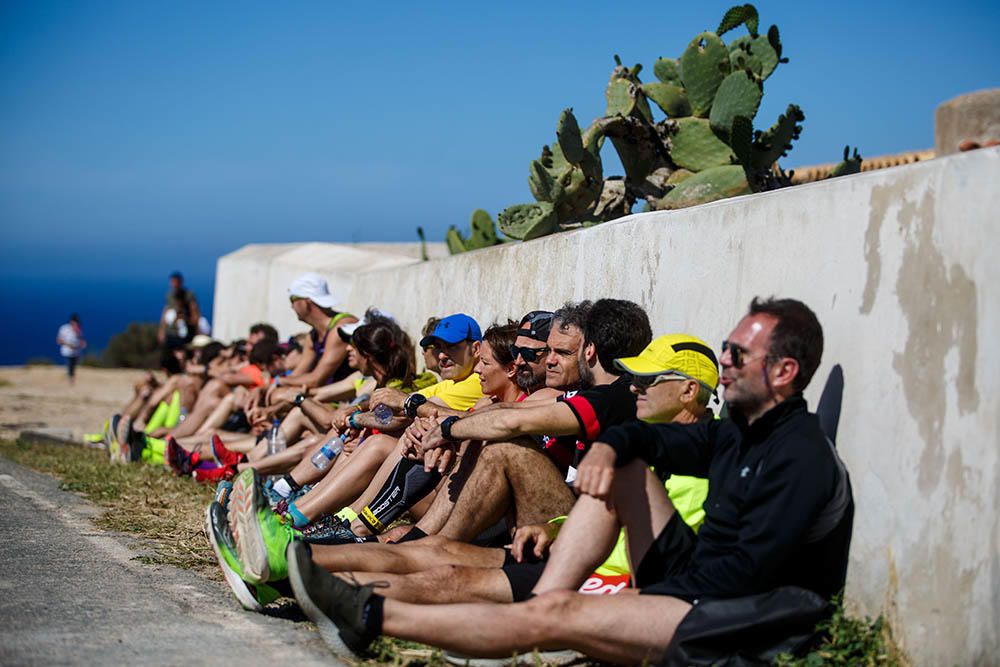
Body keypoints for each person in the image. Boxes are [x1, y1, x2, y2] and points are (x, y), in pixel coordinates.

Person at [286, 297, 854, 665]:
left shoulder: (803, 459)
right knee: (624, 466)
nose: (726, 363)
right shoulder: (738, 433)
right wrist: (611, 445)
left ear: (783, 372)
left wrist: (632, 601)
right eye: (725, 351)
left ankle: (373, 618)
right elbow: (647, 441)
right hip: (689, 577)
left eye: (738, 353)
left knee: (549, 614)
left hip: (731, 620)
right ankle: (550, 592)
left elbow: (745, 578)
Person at [56, 314, 86, 384]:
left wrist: (82, 343)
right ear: (71, 322)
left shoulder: (78, 329)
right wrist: (69, 345)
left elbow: (81, 339)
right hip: (67, 352)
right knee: (70, 365)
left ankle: (71, 377)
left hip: (76, 352)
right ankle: (70, 379)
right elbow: (59, 340)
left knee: (74, 366)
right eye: (74, 322)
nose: (76, 324)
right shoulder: (64, 328)